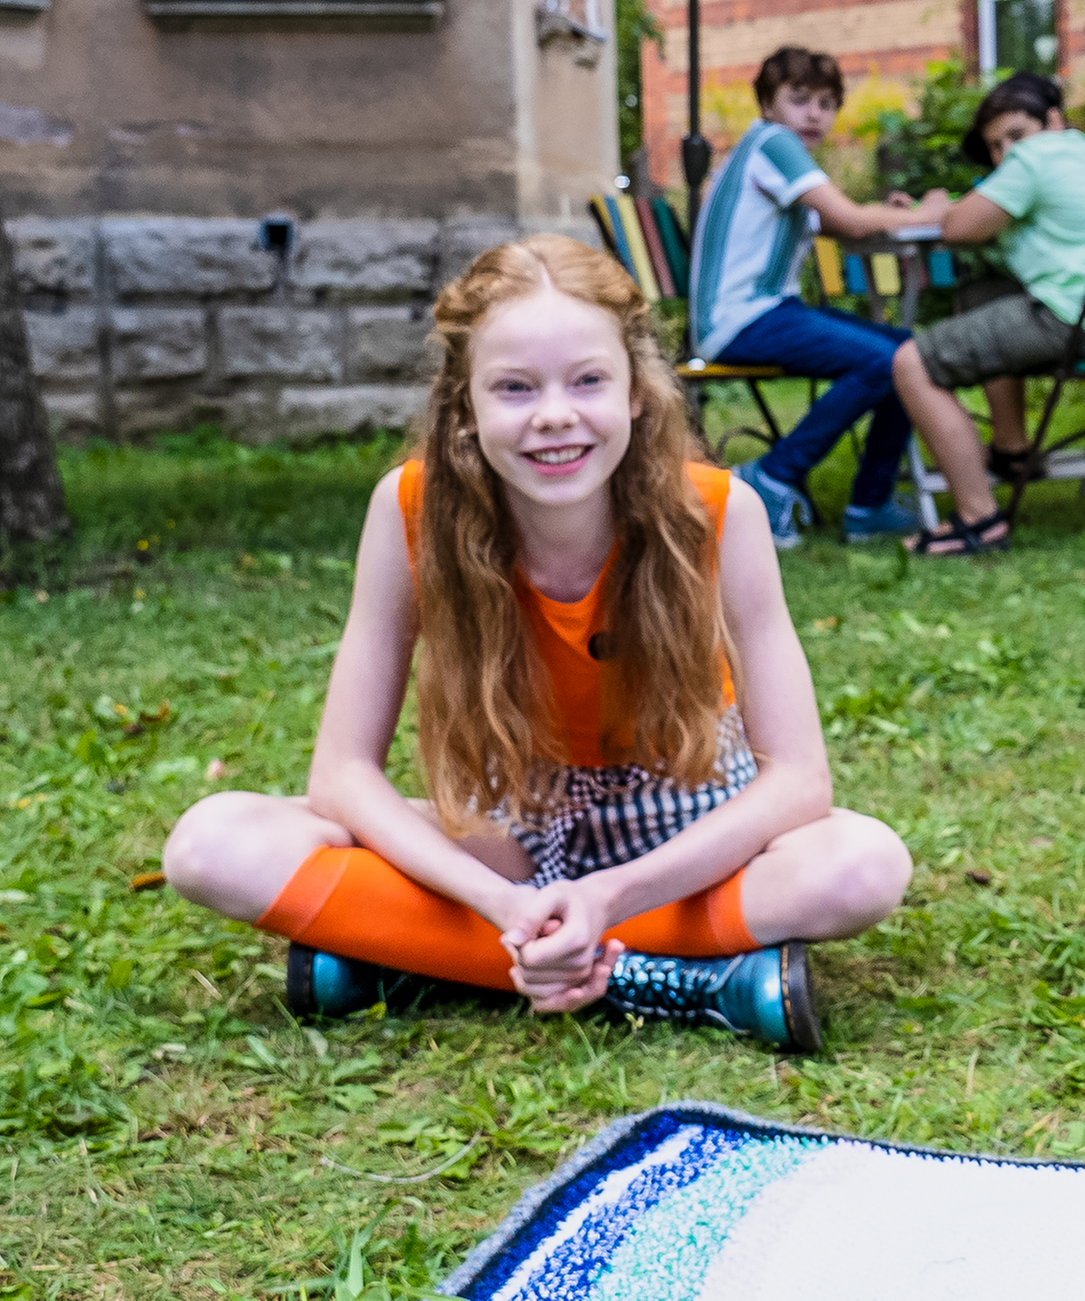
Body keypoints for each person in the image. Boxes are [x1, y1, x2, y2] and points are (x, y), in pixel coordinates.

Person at [162, 235, 914, 1053]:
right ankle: (688, 980)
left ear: (635, 391)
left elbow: (799, 781)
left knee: (862, 864)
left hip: (689, 834)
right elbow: (341, 775)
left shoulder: (719, 512)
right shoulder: (410, 509)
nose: (555, 415)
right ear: (464, 404)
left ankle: (415, 957)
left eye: (588, 380)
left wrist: (611, 897)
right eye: (514, 388)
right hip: (507, 840)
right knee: (211, 846)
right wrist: (501, 905)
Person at [886, 72, 1085, 556]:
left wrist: (934, 206)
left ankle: (979, 519)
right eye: (995, 146)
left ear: (1051, 121)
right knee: (983, 295)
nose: (1005, 153)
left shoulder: (1035, 159)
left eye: (1015, 134)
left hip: (1076, 319)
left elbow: (957, 228)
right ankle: (1012, 453)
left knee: (911, 363)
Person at [689, 46, 952, 548]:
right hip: (740, 318)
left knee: (907, 351)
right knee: (890, 360)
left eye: (827, 103)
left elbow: (840, 222)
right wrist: (928, 212)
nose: (814, 113)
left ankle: (869, 503)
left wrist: (891, 211)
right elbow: (852, 220)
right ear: (767, 105)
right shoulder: (775, 144)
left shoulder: (775, 152)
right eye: (799, 98)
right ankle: (770, 478)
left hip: (760, 312)